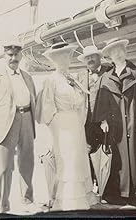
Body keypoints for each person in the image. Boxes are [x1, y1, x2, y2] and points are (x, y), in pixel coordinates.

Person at [0, 41, 39, 214]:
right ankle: (3, 206)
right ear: (4, 56)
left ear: (21, 56)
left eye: (16, 55)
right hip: (5, 125)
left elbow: (33, 98)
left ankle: (27, 201)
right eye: (9, 55)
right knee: (4, 167)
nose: (13, 58)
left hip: (26, 120)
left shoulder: (27, 76)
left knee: (27, 163)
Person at [35, 42, 98, 211]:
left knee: (78, 159)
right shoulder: (51, 80)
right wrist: (54, 130)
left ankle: (83, 196)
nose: (66, 60)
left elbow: (81, 102)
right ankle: (68, 201)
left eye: (67, 56)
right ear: (55, 60)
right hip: (62, 125)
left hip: (75, 124)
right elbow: (47, 110)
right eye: (61, 57)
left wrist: (79, 120)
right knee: (67, 160)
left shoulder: (71, 79)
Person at [92, 38, 136, 206]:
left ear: (125, 52)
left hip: (133, 122)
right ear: (110, 56)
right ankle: (117, 193)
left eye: (119, 50)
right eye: (113, 52)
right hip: (115, 125)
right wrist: (103, 120)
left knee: (135, 156)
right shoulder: (106, 76)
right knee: (117, 159)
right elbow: (101, 99)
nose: (117, 54)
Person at [77, 45, 112, 152]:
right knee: (90, 152)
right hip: (88, 122)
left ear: (99, 57)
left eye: (92, 56)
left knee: (108, 153)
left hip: (107, 122)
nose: (90, 60)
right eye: (87, 58)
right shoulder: (80, 75)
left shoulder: (109, 70)